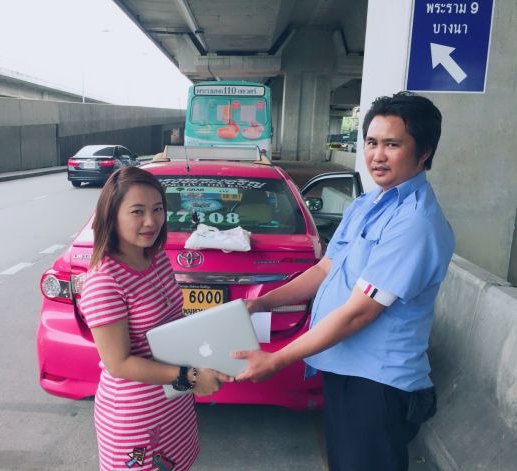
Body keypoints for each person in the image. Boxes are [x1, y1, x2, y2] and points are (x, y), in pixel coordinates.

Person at [234, 92, 455, 471]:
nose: (377, 155)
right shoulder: (367, 204)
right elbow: (324, 270)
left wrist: (277, 359)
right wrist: (261, 303)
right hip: (344, 369)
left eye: (392, 144)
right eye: (371, 142)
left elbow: (359, 313)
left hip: (378, 384)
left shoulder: (414, 223)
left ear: (424, 153)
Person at [79, 166, 231, 471]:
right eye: (137, 211)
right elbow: (118, 363)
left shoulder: (155, 256)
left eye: (158, 209)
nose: (151, 221)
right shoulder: (104, 281)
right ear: (112, 216)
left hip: (173, 404)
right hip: (135, 419)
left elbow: (170, 320)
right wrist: (192, 377)